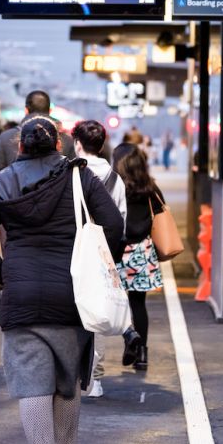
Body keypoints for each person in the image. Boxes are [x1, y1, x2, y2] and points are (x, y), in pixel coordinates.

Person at [0, 117, 124, 444]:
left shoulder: (1, 182)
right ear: (57, 145)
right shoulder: (80, 176)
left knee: (31, 384)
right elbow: (114, 224)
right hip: (71, 293)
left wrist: (2, 273)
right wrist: (99, 265)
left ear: (19, 146)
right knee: (67, 381)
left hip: (20, 295)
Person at [70, 120, 127, 400]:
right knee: (98, 315)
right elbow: (121, 220)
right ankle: (95, 377)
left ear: (77, 144)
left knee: (73, 310)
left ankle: (71, 373)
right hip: (103, 253)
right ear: (102, 145)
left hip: (73, 249)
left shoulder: (69, 174)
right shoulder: (115, 179)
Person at [113, 143, 170, 371]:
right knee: (138, 303)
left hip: (118, 250)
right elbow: (160, 212)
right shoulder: (150, 187)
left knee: (116, 301)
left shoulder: (114, 186)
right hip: (142, 252)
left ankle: (129, 337)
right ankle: (142, 353)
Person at [0, 90, 75, 179]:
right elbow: (73, 176)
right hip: (57, 193)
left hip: (15, 193)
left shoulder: (6, 137)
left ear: (26, 110)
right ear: (50, 110)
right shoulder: (67, 140)